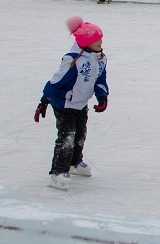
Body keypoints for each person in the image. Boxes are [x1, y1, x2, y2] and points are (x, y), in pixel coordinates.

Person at [35, 16, 109, 191]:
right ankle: (58, 171)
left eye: (100, 38)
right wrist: (44, 101)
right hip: (64, 104)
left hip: (81, 103)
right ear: (85, 42)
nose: (100, 42)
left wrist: (102, 97)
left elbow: (100, 80)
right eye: (95, 39)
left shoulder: (100, 59)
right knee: (67, 137)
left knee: (80, 134)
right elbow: (56, 82)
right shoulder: (73, 60)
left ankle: (75, 162)